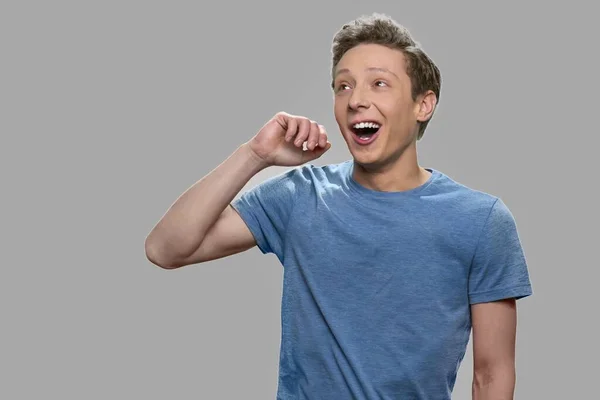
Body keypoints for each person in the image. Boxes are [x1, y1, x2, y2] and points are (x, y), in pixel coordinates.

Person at [145, 12, 533, 400]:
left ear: (423, 104)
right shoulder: (300, 196)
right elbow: (165, 249)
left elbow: (491, 373)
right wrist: (255, 154)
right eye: (343, 86)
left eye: (379, 83)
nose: (356, 100)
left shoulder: (481, 221)